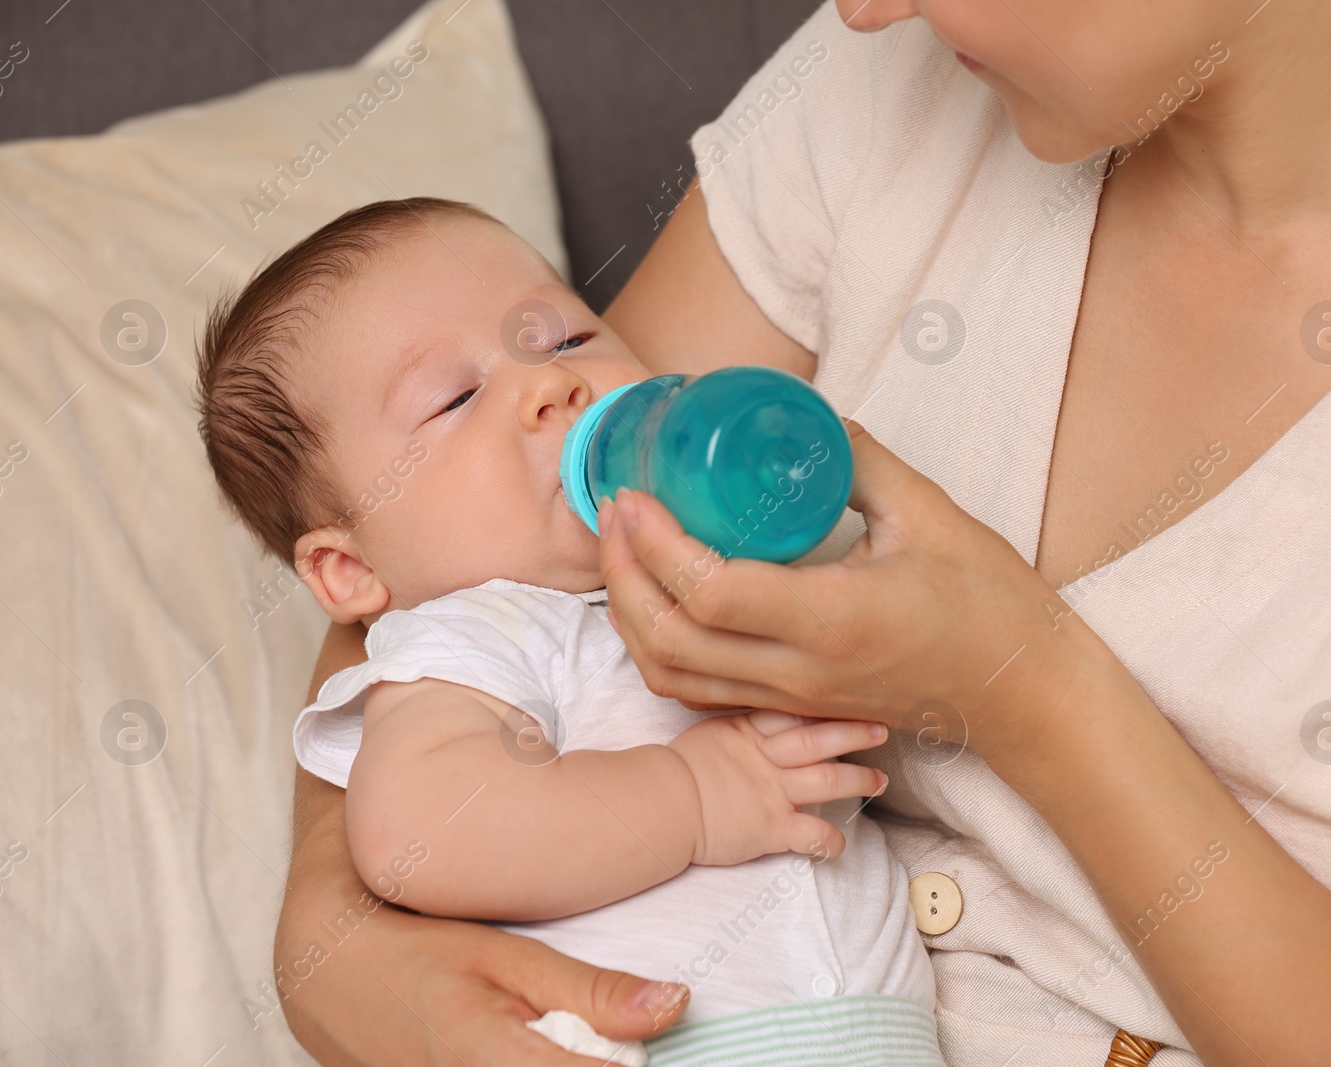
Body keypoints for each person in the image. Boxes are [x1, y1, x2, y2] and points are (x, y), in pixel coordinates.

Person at [274, 0, 1331, 1064]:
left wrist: (1025, 687)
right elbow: (458, 563)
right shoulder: (889, 74)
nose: (864, 5)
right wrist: (333, 944)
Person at [195, 197, 944, 1065]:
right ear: (352, 570)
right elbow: (420, 831)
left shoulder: (715, 557)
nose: (552, 385)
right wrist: (690, 800)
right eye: (457, 397)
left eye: (567, 339)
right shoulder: (474, 636)